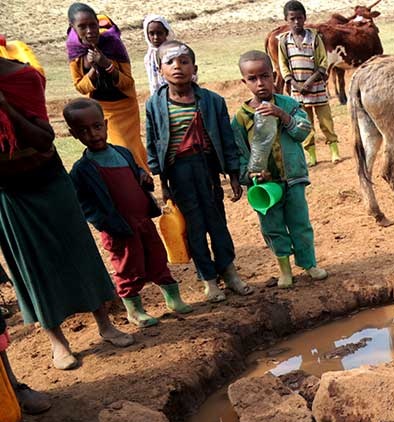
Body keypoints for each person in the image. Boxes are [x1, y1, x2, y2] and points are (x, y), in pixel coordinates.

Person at [0, 56, 133, 371]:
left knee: (79, 250)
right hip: (8, 192)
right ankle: (56, 341)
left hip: (47, 178)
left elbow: (43, 139)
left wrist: (4, 106)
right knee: (31, 264)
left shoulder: (24, 77)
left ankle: (105, 323)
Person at [65, 98, 193, 327]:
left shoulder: (123, 153)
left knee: (157, 258)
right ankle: (134, 310)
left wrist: (143, 178)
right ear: (73, 134)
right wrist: (105, 222)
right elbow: (83, 203)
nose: (93, 134)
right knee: (128, 267)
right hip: (119, 229)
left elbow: (137, 176)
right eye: (83, 131)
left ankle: (173, 299)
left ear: (105, 124)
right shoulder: (82, 170)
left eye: (96, 127)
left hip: (143, 221)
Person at [145, 40, 252, 303]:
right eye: (170, 62)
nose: (177, 67)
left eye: (184, 61)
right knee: (194, 227)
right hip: (179, 174)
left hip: (208, 171)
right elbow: (153, 141)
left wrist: (234, 175)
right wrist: (163, 183)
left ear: (195, 68)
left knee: (217, 223)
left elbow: (227, 139)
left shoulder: (213, 101)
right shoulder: (155, 105)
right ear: (160, 70)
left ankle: (229, 272)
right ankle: (208, 279)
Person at [232, 51, 329, 288]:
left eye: (265, 77)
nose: (260, 83)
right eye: (252, 79)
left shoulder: (289, 104)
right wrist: (250, 176)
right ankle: (284, 270)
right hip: (264, 187)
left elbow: (303, 132)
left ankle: (309, 264)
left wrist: (282, 115)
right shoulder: (241, 117)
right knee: (273, 226)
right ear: (244, 81)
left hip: (293, 178)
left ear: (274, 76)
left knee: (300, 223)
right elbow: (239, 153)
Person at [66, 4, 148, 173]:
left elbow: (128, 83)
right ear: (73, 27)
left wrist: (106, 64)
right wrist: (94, 72)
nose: (89, 31)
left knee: (130, 150)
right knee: (115, 153)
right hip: (100, 111)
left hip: (125, 107)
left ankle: (143, 189)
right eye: (82, 26)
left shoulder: (113, 43)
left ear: (98, 23)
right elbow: (80, 87)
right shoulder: (75, 52)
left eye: (93, 25)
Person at [276, 0, 340, 166]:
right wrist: (295, 84)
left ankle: (334, 151)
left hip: (317, 87)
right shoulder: (283, 41)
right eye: (292, 19)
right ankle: (311, 155)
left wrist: (310, 82)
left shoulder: (315, 38)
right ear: (286, 20)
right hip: (298, 92)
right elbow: (283, 66)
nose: (296, 22)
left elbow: (323, 63)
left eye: (299, 18)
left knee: (326, 121)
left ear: (304, 18)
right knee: (304, 124)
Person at [141, 14, 182, 96]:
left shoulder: (176, 53)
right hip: (158, 99)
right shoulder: (149, 58)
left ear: (166, 33)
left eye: (159, 33)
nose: (155, 37)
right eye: (151, 33)